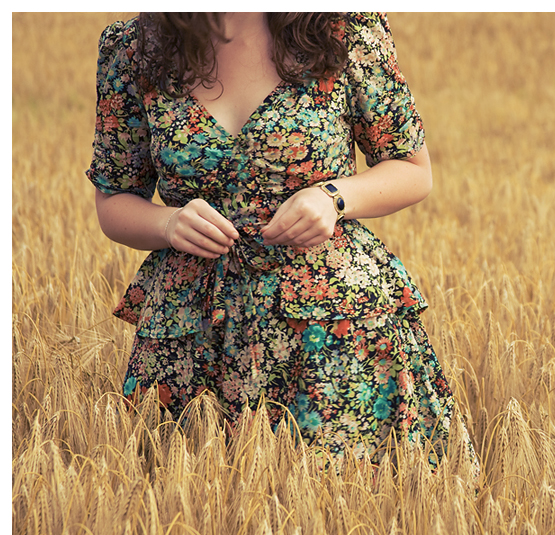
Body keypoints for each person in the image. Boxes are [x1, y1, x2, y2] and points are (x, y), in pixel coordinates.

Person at [87, 12, 477, 474]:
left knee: (348, 517)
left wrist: (334, 197)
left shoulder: (343, 29)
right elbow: (114, 201)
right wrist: (168, 224)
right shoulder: (135, 47)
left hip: (331, 334)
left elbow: (413, 169)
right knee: (185, 524)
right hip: (191, 336)